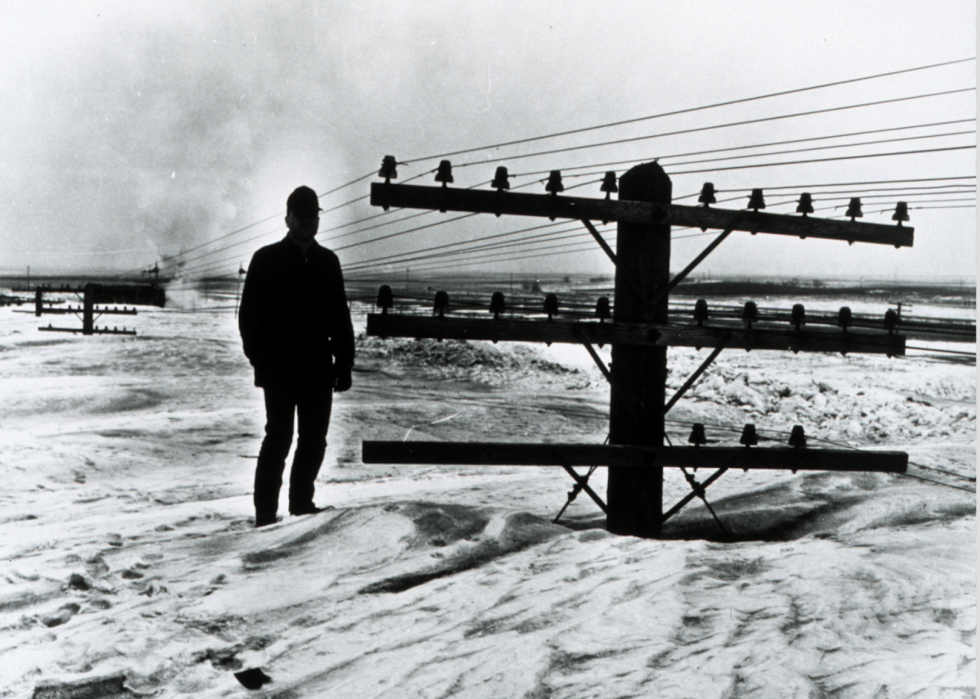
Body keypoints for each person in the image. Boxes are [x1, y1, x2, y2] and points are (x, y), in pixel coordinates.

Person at [238, 185, 355, 527]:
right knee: (279, 438)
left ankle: (301, 504)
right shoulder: (266, 260)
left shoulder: (328, 262)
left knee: (314, 440)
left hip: (318, 369)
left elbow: (339, 317)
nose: (307, 222)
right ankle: (265, 514)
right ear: (287, 218)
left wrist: (344, 364)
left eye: (313, 216)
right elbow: (248, 319)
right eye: (301, 216)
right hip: (279, 370)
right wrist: (260, 360)